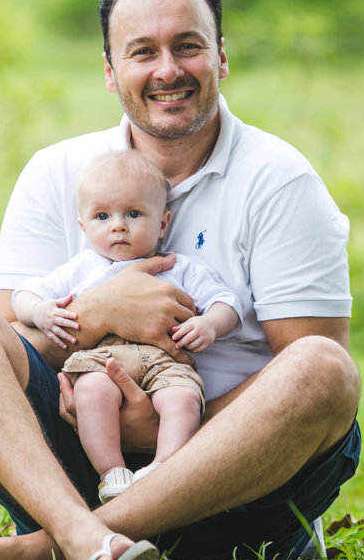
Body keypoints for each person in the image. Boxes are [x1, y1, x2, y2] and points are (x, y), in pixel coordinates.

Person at [0, 0, 362, 560]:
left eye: (188, 46)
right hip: (82, 465)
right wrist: (99, 314)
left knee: (326, 368)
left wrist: (171, 421)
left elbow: (316, 383)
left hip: (236, 492)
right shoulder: (56, 172)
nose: (168, 70)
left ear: (221, 57)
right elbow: (6, 350)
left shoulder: (280, 181)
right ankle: (83, 537)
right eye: (143, 51)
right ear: (110, 70)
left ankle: (50, 554)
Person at [12, 150, 240, 504]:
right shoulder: (81, 268)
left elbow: (227, 302)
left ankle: (166, 468)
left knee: (183, 398)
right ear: (84, 227)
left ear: (162, 223)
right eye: (102, 216)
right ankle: (111, 473)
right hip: (101, 360)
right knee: (90, 393)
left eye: (133, 214)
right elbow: (23, 296)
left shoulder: (178, 267)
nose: (118, 225)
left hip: (167, 362)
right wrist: (40, 311)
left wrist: (210, 323)